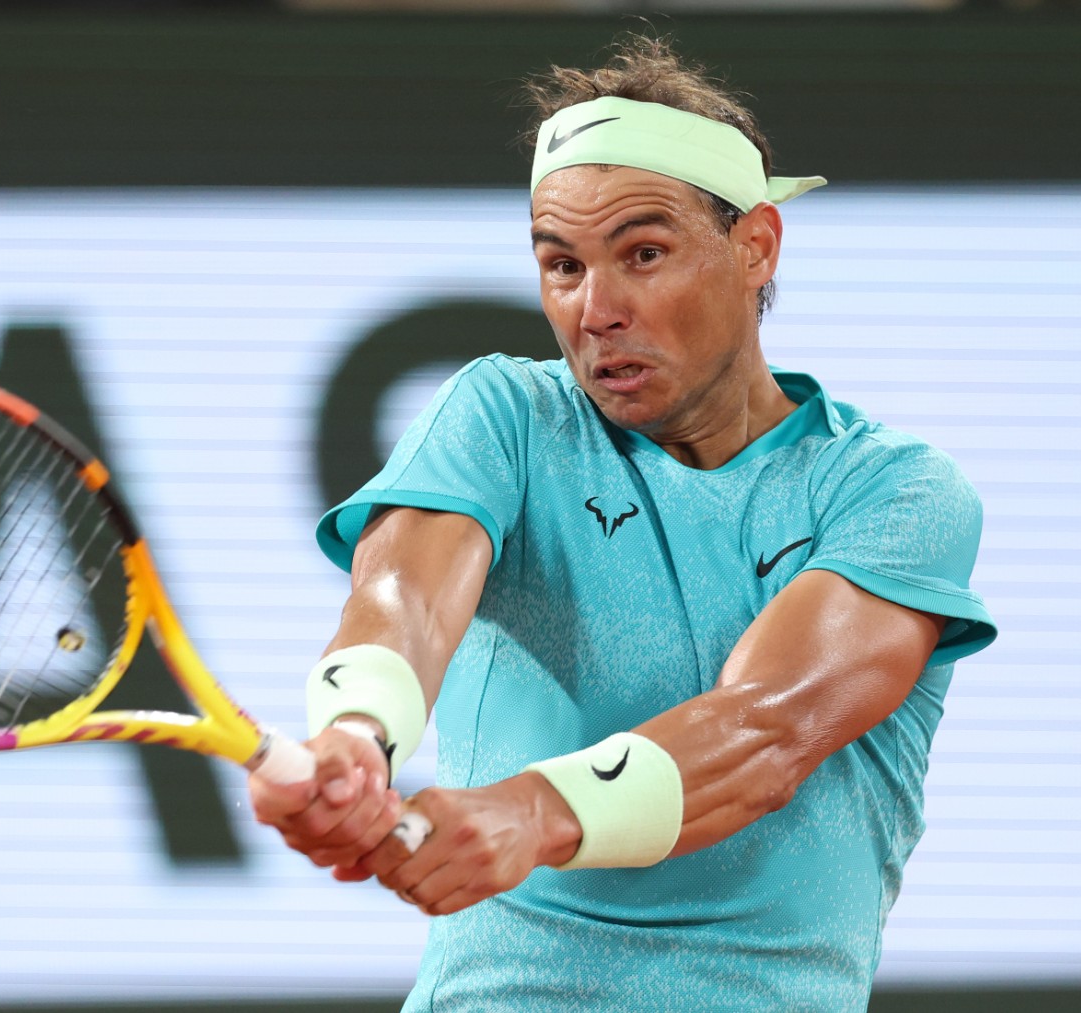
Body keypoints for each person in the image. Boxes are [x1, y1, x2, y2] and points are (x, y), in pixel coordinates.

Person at [250, 35, 998, 1011]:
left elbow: (762, 733)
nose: (595, 309)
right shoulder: (503, 416)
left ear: (756, 245)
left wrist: (531, 811)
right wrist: (358, 733)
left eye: (643, 253)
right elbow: (399, 601)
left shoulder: (893, 491)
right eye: (561, 265)